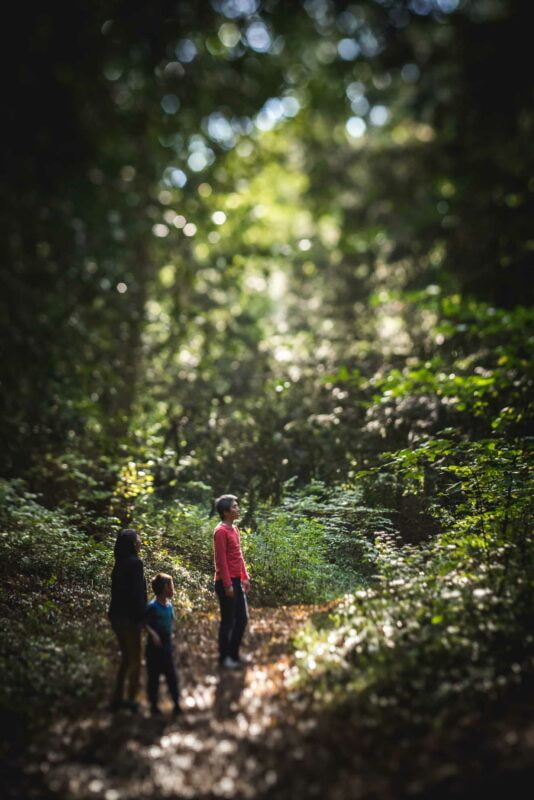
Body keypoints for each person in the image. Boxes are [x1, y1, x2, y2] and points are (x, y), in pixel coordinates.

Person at [108, 528, 147, 712]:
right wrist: (143, 618)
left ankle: (117, 698)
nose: (140, 542)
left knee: (125, 657)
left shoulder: (119, 563)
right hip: (130, 619)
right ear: (133, 544)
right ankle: (131, 700)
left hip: (116, 616)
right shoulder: (136, 563)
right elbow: (138, 595)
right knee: (135, 660)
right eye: (138, 540)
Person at [213, 494, 251, 669]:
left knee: (242, 619)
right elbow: (221, 561)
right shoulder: (220, 531)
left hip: (236, 580)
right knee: (228, 622)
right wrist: (227, 584)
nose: (238, 509)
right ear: (226, 511)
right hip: (225, 583)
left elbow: (238, 556)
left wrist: (245, 577)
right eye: (235, 506)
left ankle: (234, 655)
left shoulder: (234, 529)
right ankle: (224, 659)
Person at [145, 572, 181, 716]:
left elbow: (171, 622)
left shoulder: (169, 606)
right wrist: (153, 634)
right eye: (172, 586)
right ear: (165, 588)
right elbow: (144, 623)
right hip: (153, 648)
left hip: (166, 646)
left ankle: (176, 703)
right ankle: (153, 705)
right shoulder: (152, 607)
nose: (173, 589)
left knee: (171, 675)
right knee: (153, 677)